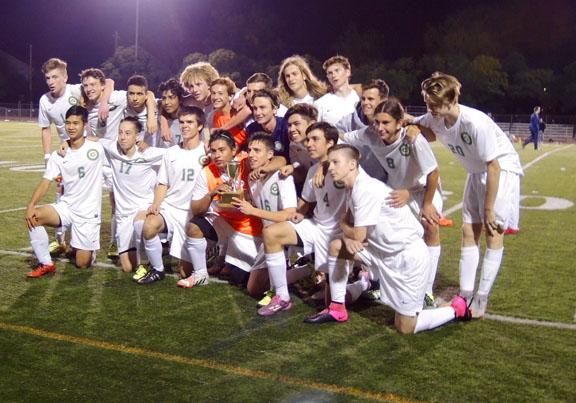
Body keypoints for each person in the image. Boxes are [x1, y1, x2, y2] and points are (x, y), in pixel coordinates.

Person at [304, 144, 470, 333]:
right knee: (336, 246)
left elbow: (358, 235)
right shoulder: (354, 186)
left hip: (405, 258)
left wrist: (344, 227)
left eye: (335, 162)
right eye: (330, 163)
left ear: (352, 164)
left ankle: (456, 309)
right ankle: (337, 308)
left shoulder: (365, 189)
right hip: (381, 252)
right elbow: (352, 229)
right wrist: (347, 232)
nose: (330, 167)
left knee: (406, 327)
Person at [412, 72, 524, 318]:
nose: (429, 109)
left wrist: (488, 208)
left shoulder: (475, 122)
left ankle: (481, 298)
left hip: (501, 172)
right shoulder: (435, 117)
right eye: (427, 103)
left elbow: (493, 166)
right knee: (467, 231)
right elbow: (414, 122)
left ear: (451, 101)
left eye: (434, 104)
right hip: (476, 172)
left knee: (492, 230)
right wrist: (409, 126)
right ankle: (464, 294)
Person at [345, 98, 444, 306]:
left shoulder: (414, 139)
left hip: (424, 190)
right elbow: (342, 138)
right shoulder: (370, 134)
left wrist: (426, 204)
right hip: (396, 192)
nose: (380, 128)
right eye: (377, 122)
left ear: (399, 123)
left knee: (430, 227)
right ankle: (381, 283)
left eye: (386, 123)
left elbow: (433, 173)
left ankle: (426, 290)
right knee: (385, 235)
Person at [257, 122, 346, 316]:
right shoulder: (313, 171)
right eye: (308, 140)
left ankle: (364, 280)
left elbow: (355, 155)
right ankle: (282, 297)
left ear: (330, 143)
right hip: (317, 227)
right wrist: (298, 213)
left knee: (333, 301)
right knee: (272, 233)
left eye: (315, 139)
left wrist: (327, 164)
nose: (309, 144)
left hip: (341, 234)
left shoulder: (347, 165)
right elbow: (305, 203)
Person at [38, 58, 112, 255]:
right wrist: (47, 157)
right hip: (67, 151)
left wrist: (104, 103)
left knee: (104, 192)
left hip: (89, 146)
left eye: (55, 77)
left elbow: (109, 82)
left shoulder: (76, 89)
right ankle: (60, 240)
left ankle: (111, 240)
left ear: (65, 77)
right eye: (47, 78)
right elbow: (45, 129)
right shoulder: (45, 101)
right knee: (62, 192)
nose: (50, 81)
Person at [25, 106, 105, 277]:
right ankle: (46, 263)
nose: (71, 127)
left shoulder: (97, 149)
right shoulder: (59, 155)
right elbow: (46, 182)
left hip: (88, 213)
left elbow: (112, 140)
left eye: (76, 123)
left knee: (82, 264)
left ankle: (87, 251)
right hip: (66, 207)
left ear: (85, 124)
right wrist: (31, 205)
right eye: (68, 123)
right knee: (34, 216)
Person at [179, 131, 263, 288]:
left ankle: (301, 270)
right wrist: (211, 194)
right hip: (222, 223)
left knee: (242, 280)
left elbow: (279, 159)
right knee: (194, 226)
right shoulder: (207, 172)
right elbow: (196, 210)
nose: (216, 155)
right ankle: (200, 274)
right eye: (213, 151)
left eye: (221, 150)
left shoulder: (246, 162)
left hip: (249, 229)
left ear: (234, 150)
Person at [137, 107, 208, 284]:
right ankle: (157, 269)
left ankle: (207, 251)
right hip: (171, 208)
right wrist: (156, 204)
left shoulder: (206, 153)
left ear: (199, 126)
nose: (184, 126)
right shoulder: (171, 152)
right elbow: (163, 183)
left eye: (190, 122)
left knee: (185, 272)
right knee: (148, 225)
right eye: (182, 122)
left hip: (192, 213)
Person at [231, 133, 298, 297]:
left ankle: (300, 266)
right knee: (253, 289)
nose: (251, 154)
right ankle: (302, 271)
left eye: (257, 150)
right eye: (249, 150)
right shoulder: (252, 179)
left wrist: (252, 211)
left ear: (270, 154)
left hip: (286, 235)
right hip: (268, 237)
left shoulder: (282, 177)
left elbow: (290, 215)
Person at [96, 117, 165, 274]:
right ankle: (146, 253)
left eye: (128, 133)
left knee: (140, 225)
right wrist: (66, 142)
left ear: (137, 136)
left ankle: (151, 262)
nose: (123, 137)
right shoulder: (113, 148)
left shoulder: (148, 153)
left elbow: (175, 154)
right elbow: (95, 139)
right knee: (127, 267)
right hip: (123, 216)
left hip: (143, 209)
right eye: (120, 132)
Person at [279, 103, 318, 194]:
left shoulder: (328, 142)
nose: (292, 129)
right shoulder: (293, 145)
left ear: (312, 124)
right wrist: (292, 170)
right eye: (289, 125)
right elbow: (302, 173)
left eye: (297, 124)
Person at [314, 55, 359, 125]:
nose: (333, 75)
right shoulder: (320, 104)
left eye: (337, 70)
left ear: (348, 72)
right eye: (330, 73)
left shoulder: (360, 98)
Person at [210, 77, 248, 150]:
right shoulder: (215, 116)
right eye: (213, 93)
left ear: (230, 96)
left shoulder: (238, 111)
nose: (215, 97)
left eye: (220, 93)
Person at [124, 75, 158, 145]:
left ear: (146, 95)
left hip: (149, 152)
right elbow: (109, 82)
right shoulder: (122, 102)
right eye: (131, 93)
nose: (135, 98)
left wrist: (151, 117)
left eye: (139, 94)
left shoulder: (157, 107)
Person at [156, 78, 185, 147]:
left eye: (171, 97)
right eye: (164, 98)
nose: (166, 102)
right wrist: (163, 120)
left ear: (180, 99)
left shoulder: (189, 121)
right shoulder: (158, 116)